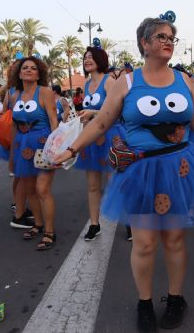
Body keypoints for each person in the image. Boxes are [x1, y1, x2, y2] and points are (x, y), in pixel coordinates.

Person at [54, 16, 194, 331]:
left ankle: (176, 297)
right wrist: (72, 149)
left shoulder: (184, 82)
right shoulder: (126, 82)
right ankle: (144, 302)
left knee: (175, 238)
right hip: (140, 170)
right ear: (145, 43)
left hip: (180, 167)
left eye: (172, 38)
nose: (168, 41)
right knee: (144, 243)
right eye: (161, 36)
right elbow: (100, 123)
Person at [9, 57, 59, 249]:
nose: (29, 70)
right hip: (22, 147)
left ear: (39, 74)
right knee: (29, 189)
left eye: (33, 68)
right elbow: (14, 126)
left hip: (43, 145)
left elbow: (54, 121)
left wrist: (55, 149)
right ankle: (38, 224)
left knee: (42, 189)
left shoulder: (44, 92)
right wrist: (13, 154)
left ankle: (50, 231)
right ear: (19, 73)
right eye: (25, 68)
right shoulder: (15, 95)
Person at [74, 42, 119, 242]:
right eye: (85, 58)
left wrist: (93, 112)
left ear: (100, 60)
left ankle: (126, 222)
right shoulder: (85, 84)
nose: (87, 60)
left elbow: (117, 111)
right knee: (92, 185)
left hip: (110, 136)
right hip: (91, 137)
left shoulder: (109, 82)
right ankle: (95, 224)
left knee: (114, 182)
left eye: (91, 57)